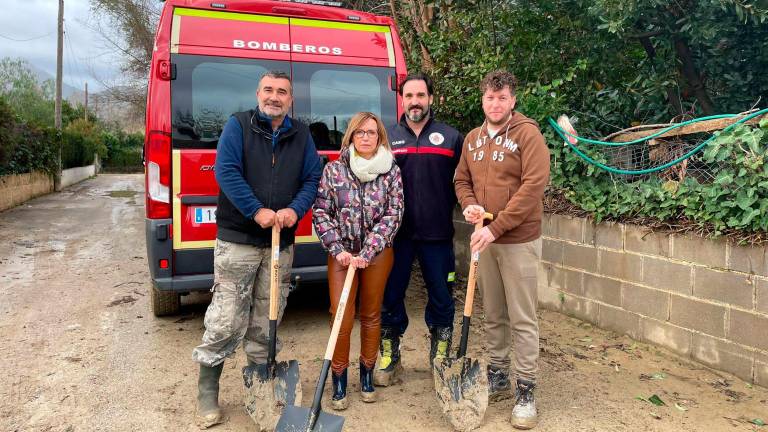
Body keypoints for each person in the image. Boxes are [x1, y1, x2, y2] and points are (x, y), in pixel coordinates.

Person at [191, 71, 322, 428]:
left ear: (290, 100)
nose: (274, 97)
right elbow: (226, 171)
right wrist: (256, 210)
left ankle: (260, 385)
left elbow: (312, 177)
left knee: (269, 317)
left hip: (280, 244)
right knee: (227, 316)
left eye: (282, 92)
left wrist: (295, 209)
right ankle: (207, 390)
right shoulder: (239, 126)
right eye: (269, 90)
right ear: (258, 93)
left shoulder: (301, 134)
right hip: (238, 239)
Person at [454, 70, 550, 430]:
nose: (496, 104)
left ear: (513, 100)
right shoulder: (473, 138)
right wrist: (469, 206)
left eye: (503, 97)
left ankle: (526, 389)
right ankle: (497, 374)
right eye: (490, 98)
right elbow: (462, 179)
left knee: (522, 317)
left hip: (517, 240)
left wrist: (496, 228)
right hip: (486, 237)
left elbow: (532, 187)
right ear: (483, 100)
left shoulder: (528, 135)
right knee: (493, 312)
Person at [375, 72, 464, 385]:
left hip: (438, 235)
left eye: (420, 96)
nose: (415, 102)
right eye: (409, 96)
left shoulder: (451, 137)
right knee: (390, 295)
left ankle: (440, 356)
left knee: (442, 296)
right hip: (395, 237)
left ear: (431, 99)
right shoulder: (386, 137)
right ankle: (390, 355)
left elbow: (465, 182)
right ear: (402, 99)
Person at [312, 111, 404, 410]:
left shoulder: (391, 171)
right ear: (351, 136)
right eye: (360, 132)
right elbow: (321, 212)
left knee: (371, 313)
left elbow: (394, 213)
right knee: (340, 314)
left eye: (372, 133)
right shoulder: (334, 170)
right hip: (341, 254)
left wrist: (368, 252)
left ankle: (366, 373)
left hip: (376, 255)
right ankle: (338, 378)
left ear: (380, 137)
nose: (366, 137)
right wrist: (338, 249)